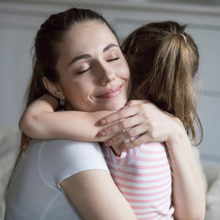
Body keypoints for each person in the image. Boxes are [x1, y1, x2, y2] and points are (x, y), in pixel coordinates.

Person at [5, 7, 205, 220]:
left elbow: (193, 216)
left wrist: (176, 131)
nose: (108, 75)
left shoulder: (143, 123)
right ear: (55, 86)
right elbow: (33, 121)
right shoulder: (69, 146)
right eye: (83, 69)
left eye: (112, 57)